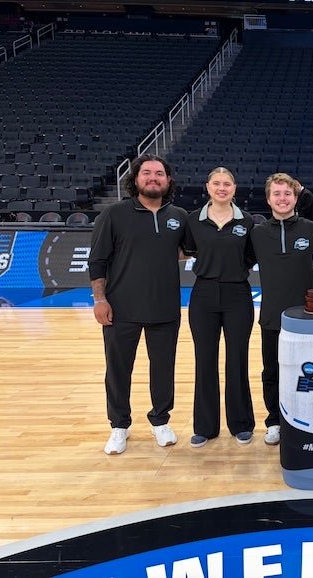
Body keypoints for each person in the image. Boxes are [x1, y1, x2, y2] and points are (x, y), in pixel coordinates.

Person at [89, 154, 188, 455]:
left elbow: (189, 250)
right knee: (118, 369)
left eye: (159, 173)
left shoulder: (180, 216)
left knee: (163, 369)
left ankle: (160, 420)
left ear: (168, 180)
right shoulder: (114, 214)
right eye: (147, 173)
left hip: (164, 307)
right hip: (121, 308)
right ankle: (119, 425)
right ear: (135, 179)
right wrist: (100, 299)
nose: (153, 178)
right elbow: (97, 260)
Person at [184, 167, 257, 448]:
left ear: (234, 189)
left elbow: (250, 256)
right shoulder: (194, 220)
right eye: (217, 183)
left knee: (237, 359)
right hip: (203, 295)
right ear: (208, 187)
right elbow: (188, 249)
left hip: (237, 293)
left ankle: (241, 424)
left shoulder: (247, 221)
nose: (222, 188)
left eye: (227, 184)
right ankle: (205, 426)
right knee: (205, 359)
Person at [251, 173, 313, 446]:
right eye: (277, 194)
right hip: (271, 317)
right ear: (268, 199)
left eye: (287, 194)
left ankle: (307, 417)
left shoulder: (311, 229)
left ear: (295, 198)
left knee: (309, 372)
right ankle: (274, 421)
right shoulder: (256, 233)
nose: (282, 198)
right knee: (272, 372)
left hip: (308, 318)